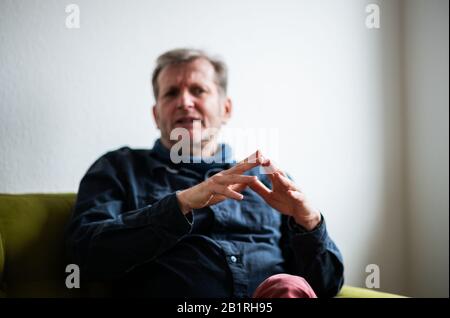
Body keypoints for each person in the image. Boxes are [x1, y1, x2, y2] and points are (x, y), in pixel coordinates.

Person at [65, 48, 344, 298]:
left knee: (287, 287)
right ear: (156, 114)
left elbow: (327, 286)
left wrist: (309, 223)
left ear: (226, 108)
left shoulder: (269, 181)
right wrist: (181, 204)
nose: (185, 101)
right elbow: (82, 260)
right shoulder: (119, 168)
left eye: (198, 90)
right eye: (171, 93)